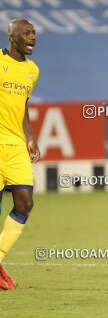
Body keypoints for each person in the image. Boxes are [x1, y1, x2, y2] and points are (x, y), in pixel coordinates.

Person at [0, 18, 40, 290]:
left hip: (15, 146)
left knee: (25, 203)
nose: (32, 37)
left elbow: (22, 105)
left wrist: (30, 136)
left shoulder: (33, 71)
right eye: (26, 33)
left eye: (34, 32)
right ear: (11, 36)